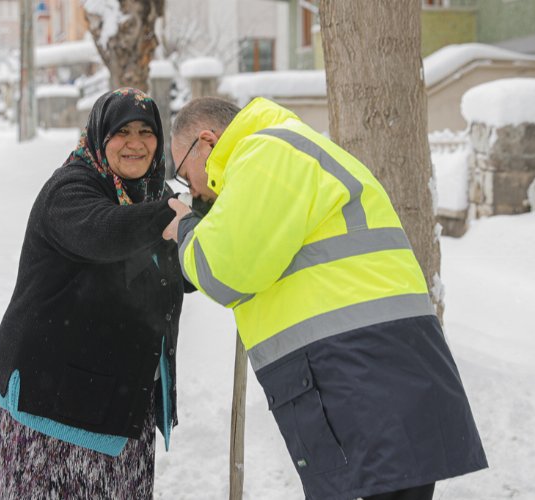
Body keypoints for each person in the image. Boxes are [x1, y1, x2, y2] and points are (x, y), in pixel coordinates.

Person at [163, 96, 487, 500]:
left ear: (206, 142)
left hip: (355, 375)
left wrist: (185, 230)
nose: (192, 186)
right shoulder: (293, 147)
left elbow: (225, 272)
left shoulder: (264, 153)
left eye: (184, 172)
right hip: (385, 372)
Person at [0, 88, 188, 498]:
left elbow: (177, 272)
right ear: (100, 136)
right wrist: (168, 219)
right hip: (55, 398)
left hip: (117, 398)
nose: (136, 144)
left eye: (146, 132)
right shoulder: (70, 190)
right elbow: (104, 233)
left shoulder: (153, 194)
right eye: (122, 132)